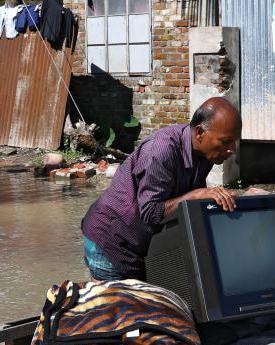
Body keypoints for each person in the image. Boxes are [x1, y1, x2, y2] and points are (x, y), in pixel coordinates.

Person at [81, 97, 241, 281]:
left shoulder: (206, 153)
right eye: (226, 141)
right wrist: (197, 195)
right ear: (199, 133)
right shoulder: (161, 151)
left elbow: (191, 209)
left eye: (234, 142)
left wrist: (240, 201)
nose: (233, 149)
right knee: (120, 299)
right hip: (111, 239)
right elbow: (151, 212)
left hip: (139, 242)